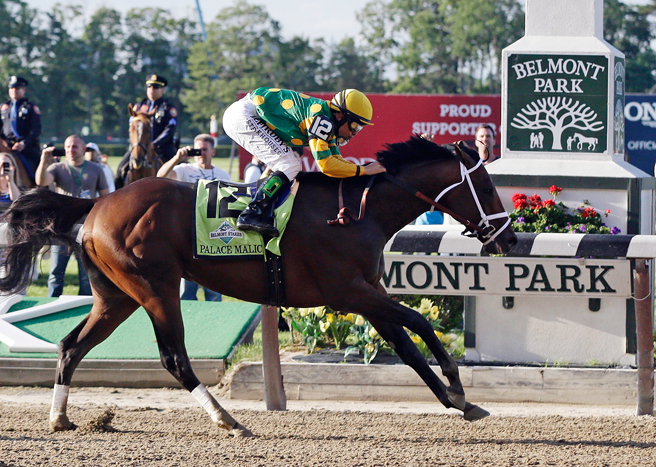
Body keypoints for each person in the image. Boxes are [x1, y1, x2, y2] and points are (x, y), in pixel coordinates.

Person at [223, 87, 386, 237]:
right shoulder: (321, 119)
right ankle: (251, 213)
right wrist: (365, 170)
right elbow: (327, 166)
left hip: (247, 112)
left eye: (360, 128)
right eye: (355, 126)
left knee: (289, 164)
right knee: (290, 164)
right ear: (341, 115)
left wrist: (362, 172)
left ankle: (264, 211)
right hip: (244, 115)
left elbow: (337, 162)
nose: (355, 133)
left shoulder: (329, 120)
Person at [157, 133, 229, 302]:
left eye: (205, 150)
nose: (201, 154)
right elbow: (160, 177)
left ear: (213, 152)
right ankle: (190, 319)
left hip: (213, 233)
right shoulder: (184, 169)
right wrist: (177, 158)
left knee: (214, 286)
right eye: (198, 150)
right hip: (187, 233)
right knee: (187, 287)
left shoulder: (223, 174)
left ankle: (215, 320)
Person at [35, 135, 109, 297]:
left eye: (75, 147)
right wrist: (43, 162)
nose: (70, 150)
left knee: (86, 276)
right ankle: (51, 306)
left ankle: (84, 309)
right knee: (56, 274)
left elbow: (106, 197)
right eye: (68, 147)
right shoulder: (57, 168)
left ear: (84, 149)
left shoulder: (96, 169)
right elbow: (41, 181)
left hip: (87, 228)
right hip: (63, 227)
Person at [116, 74, 178, 186]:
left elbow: (170, 128)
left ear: (162, 90)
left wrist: (155, 144)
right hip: (140, 146)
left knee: (179, 169)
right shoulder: (139, 107)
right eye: (149, 87)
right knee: (120, 170)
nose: (152, 90)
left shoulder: (168, 108)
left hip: (162, 147)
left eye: (155, 87)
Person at [0, 76, 42, 183]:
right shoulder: (3, 108)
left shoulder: (30, 107)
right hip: (7, 146)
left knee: (37, 170)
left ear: (24, 90)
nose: (14, 91)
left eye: (17, 88)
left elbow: (36, 129)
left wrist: (23, 143)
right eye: (12, 88)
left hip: (26, 148)